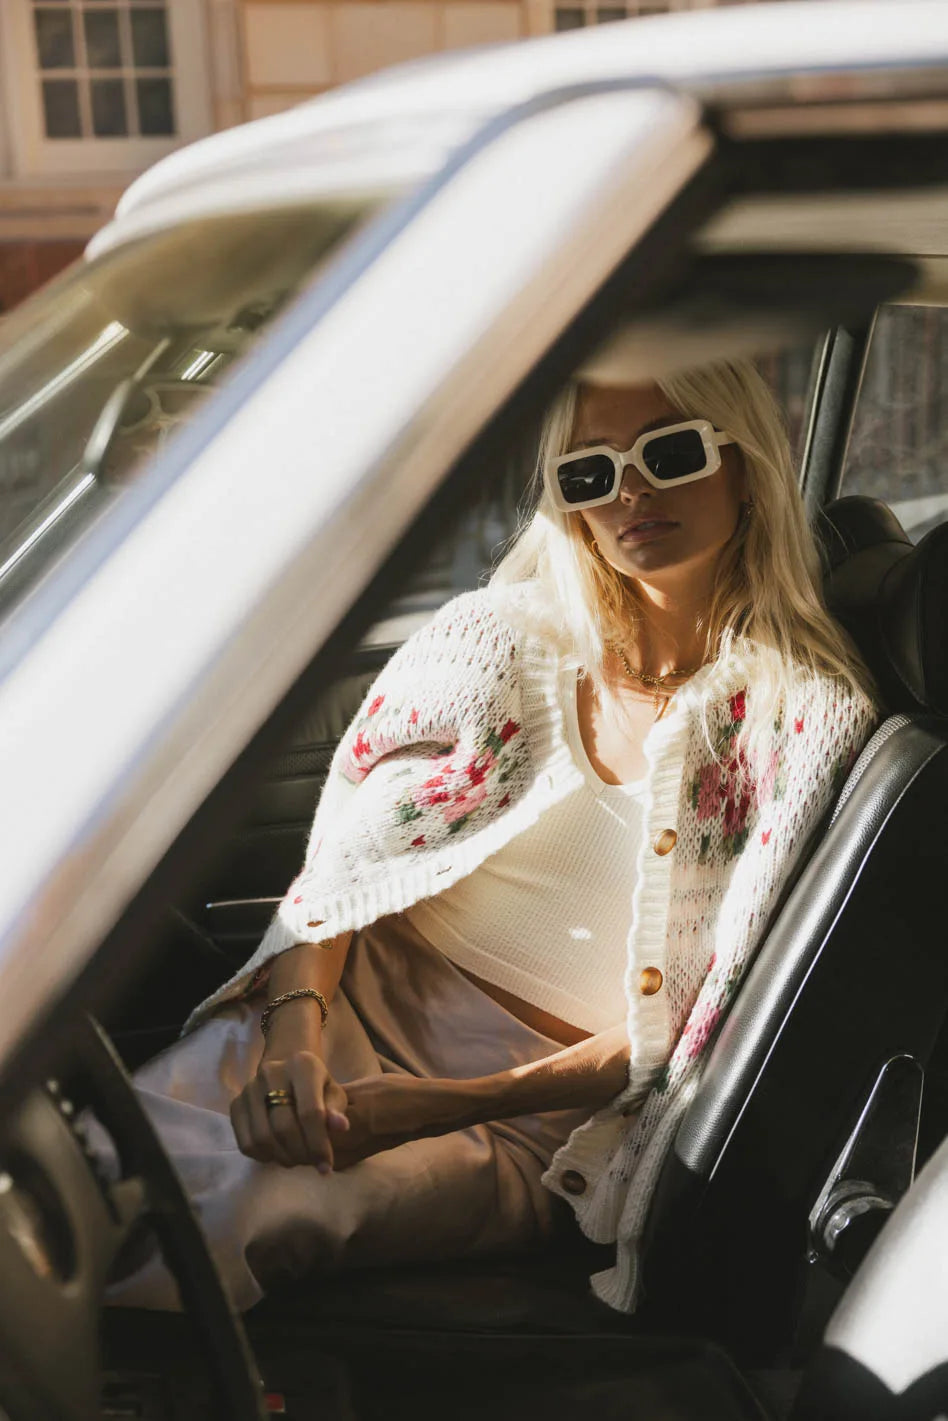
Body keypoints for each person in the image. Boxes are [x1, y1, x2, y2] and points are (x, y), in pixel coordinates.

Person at [112, 356, 877, 1315]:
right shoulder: (495, 638)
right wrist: (290, 1029)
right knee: (81, 1171)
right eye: (589, 474)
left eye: (669, 453)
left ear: (744, 464)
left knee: (222, 1222)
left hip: (531, 1121)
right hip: (340, 1007)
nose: (630, 491)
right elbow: (347, 860)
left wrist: (446, 1106)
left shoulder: (803, 719)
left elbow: (711, 1024)